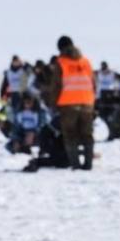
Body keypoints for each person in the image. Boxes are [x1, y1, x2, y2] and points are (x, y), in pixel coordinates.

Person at [49, 36, 95, 170]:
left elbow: (56, 86)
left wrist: (53, 105)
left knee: (70, 135)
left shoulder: (61, 62)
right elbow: (93, 83)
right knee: (87, 135)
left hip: (68, 104)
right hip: (87, 103)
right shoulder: (86, 62)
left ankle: (75, 164)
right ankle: (88, 164)